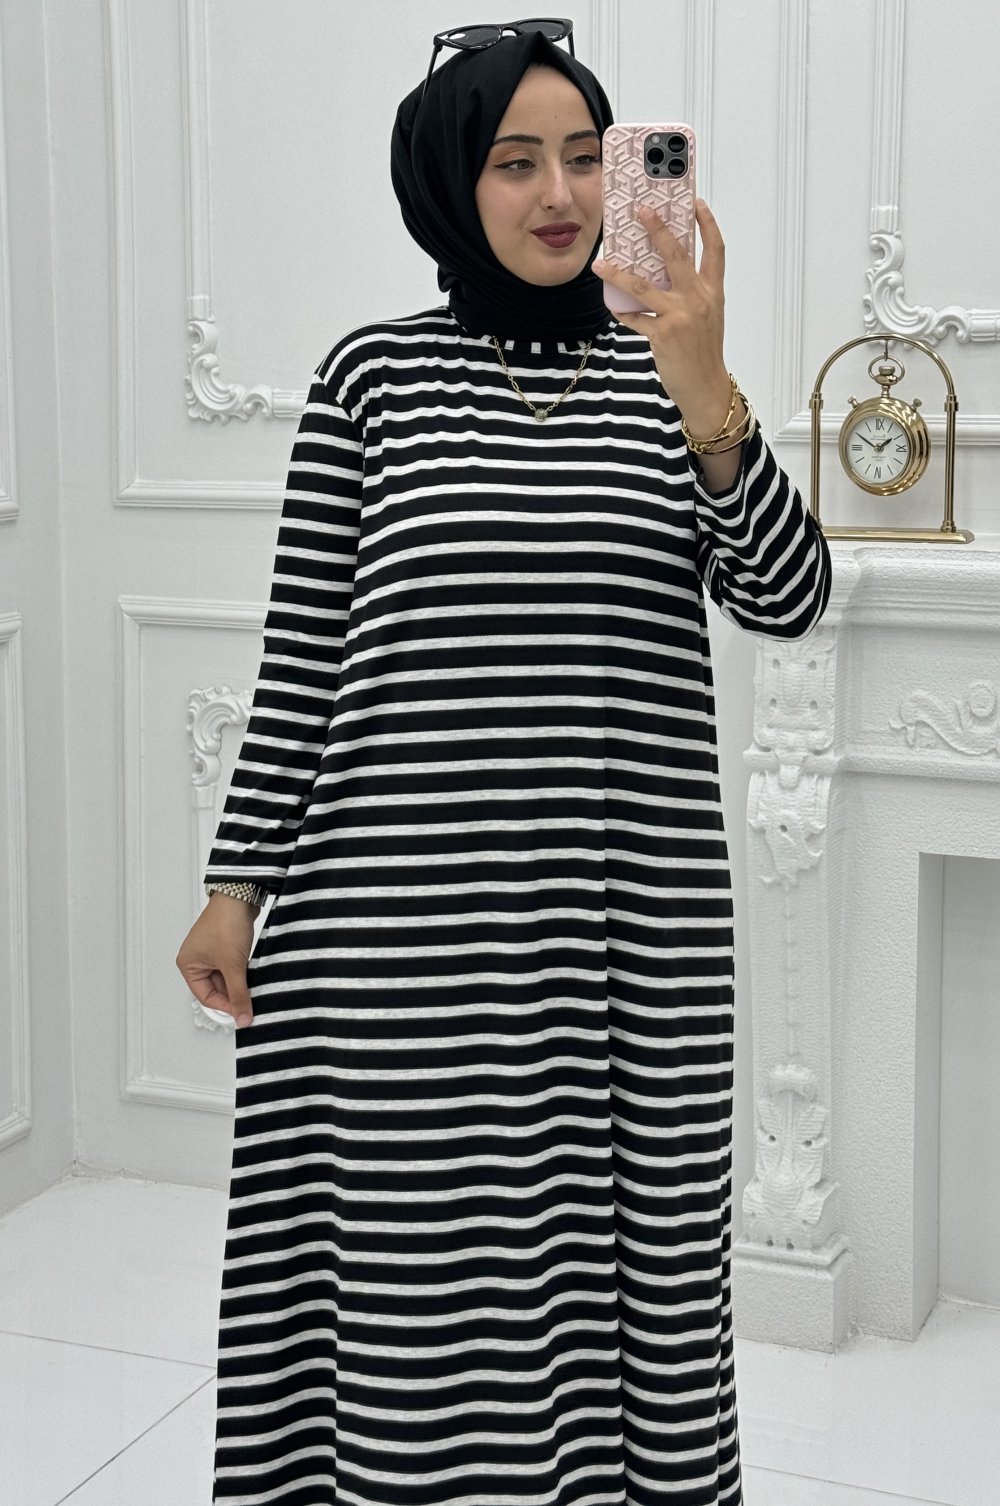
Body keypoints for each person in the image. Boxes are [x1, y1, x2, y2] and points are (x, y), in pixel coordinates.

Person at [176, 22, 830, 1506]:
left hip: (623, 941)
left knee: (627, 1272)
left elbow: (791, 600)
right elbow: (305, 655)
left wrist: (706, 384)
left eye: (587, 158)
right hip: (398, 941)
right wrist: (236, 885)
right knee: (411, 1284)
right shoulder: (374, 381)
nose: (561, 194)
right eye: (515, 160)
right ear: (449, 182)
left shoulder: (671, 379)